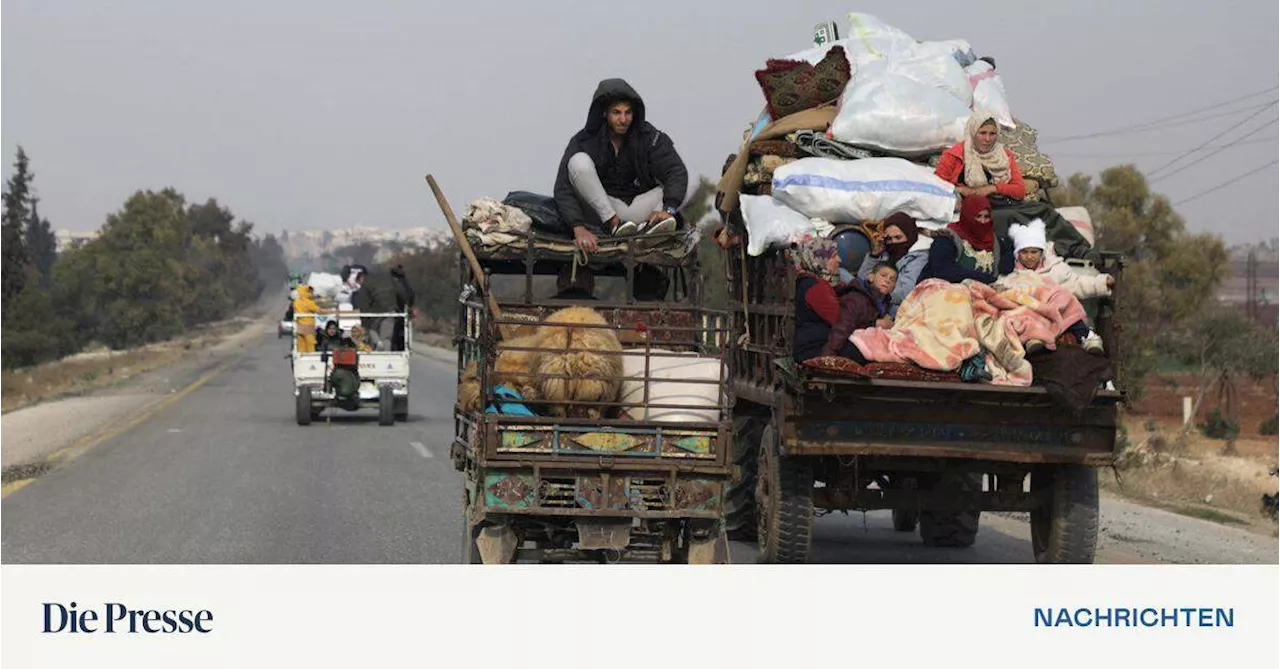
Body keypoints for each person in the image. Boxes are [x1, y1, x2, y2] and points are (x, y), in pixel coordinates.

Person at [554, 78, 689, 253]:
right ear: (605, 113)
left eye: (628, 113)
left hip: (636, 211)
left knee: (690, 183)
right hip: (603, 212)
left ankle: (651, 228)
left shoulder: (649, 136)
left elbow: (675, 171)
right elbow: (563, 188)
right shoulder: (584, 140)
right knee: (578, 162)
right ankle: (614, 224)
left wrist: (668, 209)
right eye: (616, 113)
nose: (623, 119)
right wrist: (578, 228)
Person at [1005, 219, 1112, 355]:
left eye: (1034, 252)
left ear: (1041, 253)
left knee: (1066, 300)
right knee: (1023, 312)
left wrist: (1101, 283)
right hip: (1035, 316)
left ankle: (1086, 337)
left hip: (1057, 313)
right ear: (1017, 255)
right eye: (1024, 252)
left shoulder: (1055, 270)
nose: (1029, 257)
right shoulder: (1014, 277)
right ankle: (1033, 339)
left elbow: (1076, 283)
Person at [919, 195, 1014, 285]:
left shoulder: (993, 240)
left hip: (983, 291)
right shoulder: (947, 238)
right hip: (950, 290)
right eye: (978, 216)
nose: (982, 221)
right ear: (967, 216)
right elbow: (943, 269)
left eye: (986, 217)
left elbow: (1006, 263)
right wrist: (984, 278)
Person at [934, 110, 1027, 202]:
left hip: (997, 206)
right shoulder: (954, 155)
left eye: (992, 134)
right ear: (973, 133)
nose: (987, 139)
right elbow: (937, 186)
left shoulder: (1004, 155)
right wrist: (961, 190)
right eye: (982, 133)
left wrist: (992, 188)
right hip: (968, 209)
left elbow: (1019, 190)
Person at [855, 212, 928, 317]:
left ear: (909, 235)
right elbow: (862, 277)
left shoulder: (918, 257)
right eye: (889, 239)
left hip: (892, 306)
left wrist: (873, 290)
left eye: (898, 238)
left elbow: (904, 294)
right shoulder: (886, 252)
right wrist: (874, 255)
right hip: (871, 296)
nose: (893, 242)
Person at [822, 262, 898, 360]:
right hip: (846, 346)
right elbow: (842, 328)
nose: (887, 280)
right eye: (883, 276)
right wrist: (827, 358)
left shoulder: (887, 305)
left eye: (892, 280)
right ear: (871, 277)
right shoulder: (856, 299)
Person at [791, 238, 845, 363]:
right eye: (833, 256)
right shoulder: (816, 287)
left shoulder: (809, 281)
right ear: (819, 260)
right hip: (814, 349)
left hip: (811, 346)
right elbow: (839, 320)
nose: (839, 260)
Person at [349, 267, 400, 351]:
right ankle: (386, 355)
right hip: (392, 309)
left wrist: (364, 318)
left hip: (378, 310)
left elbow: (364, 303)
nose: (360, 285)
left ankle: (378, 343)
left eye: (359, 282)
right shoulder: (387, 280)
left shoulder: (366, 284)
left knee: (371, 328)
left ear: (361, 278)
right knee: (387, 336)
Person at [292, 285, 319, 353]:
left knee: (301, 345)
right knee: (310, 345)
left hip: (300, 326)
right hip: (308, 326)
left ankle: (301, 358)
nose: (312, 293)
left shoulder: (296, 302)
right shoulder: (308, 302)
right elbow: (318, 310)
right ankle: (311, 359)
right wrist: (332, 311)